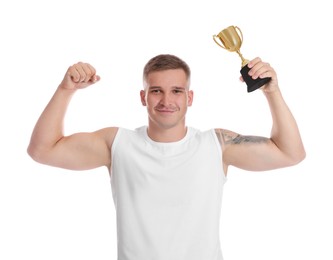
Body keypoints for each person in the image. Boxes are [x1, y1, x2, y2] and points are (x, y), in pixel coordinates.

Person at [27, 54, 305, 260]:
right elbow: (42, 150)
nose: (166, 101)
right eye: (156, 90)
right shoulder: (117, 144)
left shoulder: (217, 144)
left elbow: (290, 153)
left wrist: (272, 92)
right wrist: (66, 90)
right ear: (143, 97)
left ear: (190, 98)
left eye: (176, 91)